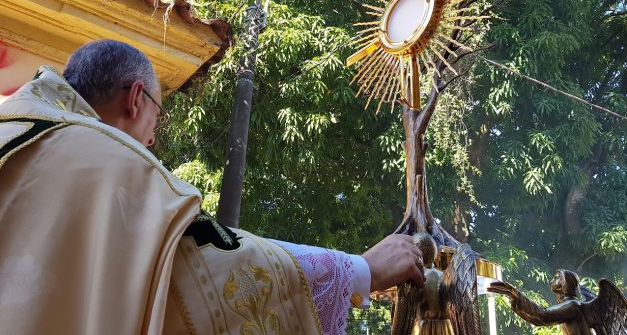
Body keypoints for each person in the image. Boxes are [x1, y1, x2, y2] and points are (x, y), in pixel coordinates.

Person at [0, 40, 424, 334]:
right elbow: (206, 267)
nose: (150, 138)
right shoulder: (115, 163)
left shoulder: (16, 126)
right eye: (157, 116)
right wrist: (358, 270)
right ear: (134, 99)